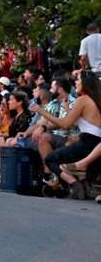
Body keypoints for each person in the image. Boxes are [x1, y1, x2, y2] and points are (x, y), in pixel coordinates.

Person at [31, 71, 101, 199]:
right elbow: (82, 122)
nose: (76, 82)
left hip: (86, 143)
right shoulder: (95, 99)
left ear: (85, 83)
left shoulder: (83, 100)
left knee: (50, 159)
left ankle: (75, 185)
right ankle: (83, 187)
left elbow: (65, 124)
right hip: (95, 143)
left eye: (78, 80)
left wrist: (41, 112)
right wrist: (67, 111)